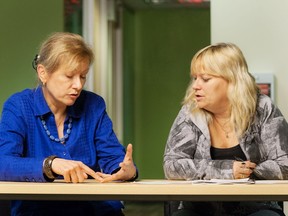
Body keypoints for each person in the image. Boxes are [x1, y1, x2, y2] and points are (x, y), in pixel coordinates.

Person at [0, 32, 138, 216]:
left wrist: (126, 170)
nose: (78, 85)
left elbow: (114, 159)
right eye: (69, 76)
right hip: (39, 210)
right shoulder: (18, 106)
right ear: (43, 73)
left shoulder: (94, 105)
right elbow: (3, 163)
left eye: (83, 76)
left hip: (95, 210)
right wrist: (50, 165)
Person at [163, 42, 288, 216]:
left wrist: (246, 172)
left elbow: (284, 164)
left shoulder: (263, 108)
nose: (195, 86)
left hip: (255, 207)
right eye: (195, 78)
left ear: (232, 81)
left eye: (205, 79)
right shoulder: (190, 112)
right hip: (199, 208)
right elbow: (172, 165)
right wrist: (227, 170)